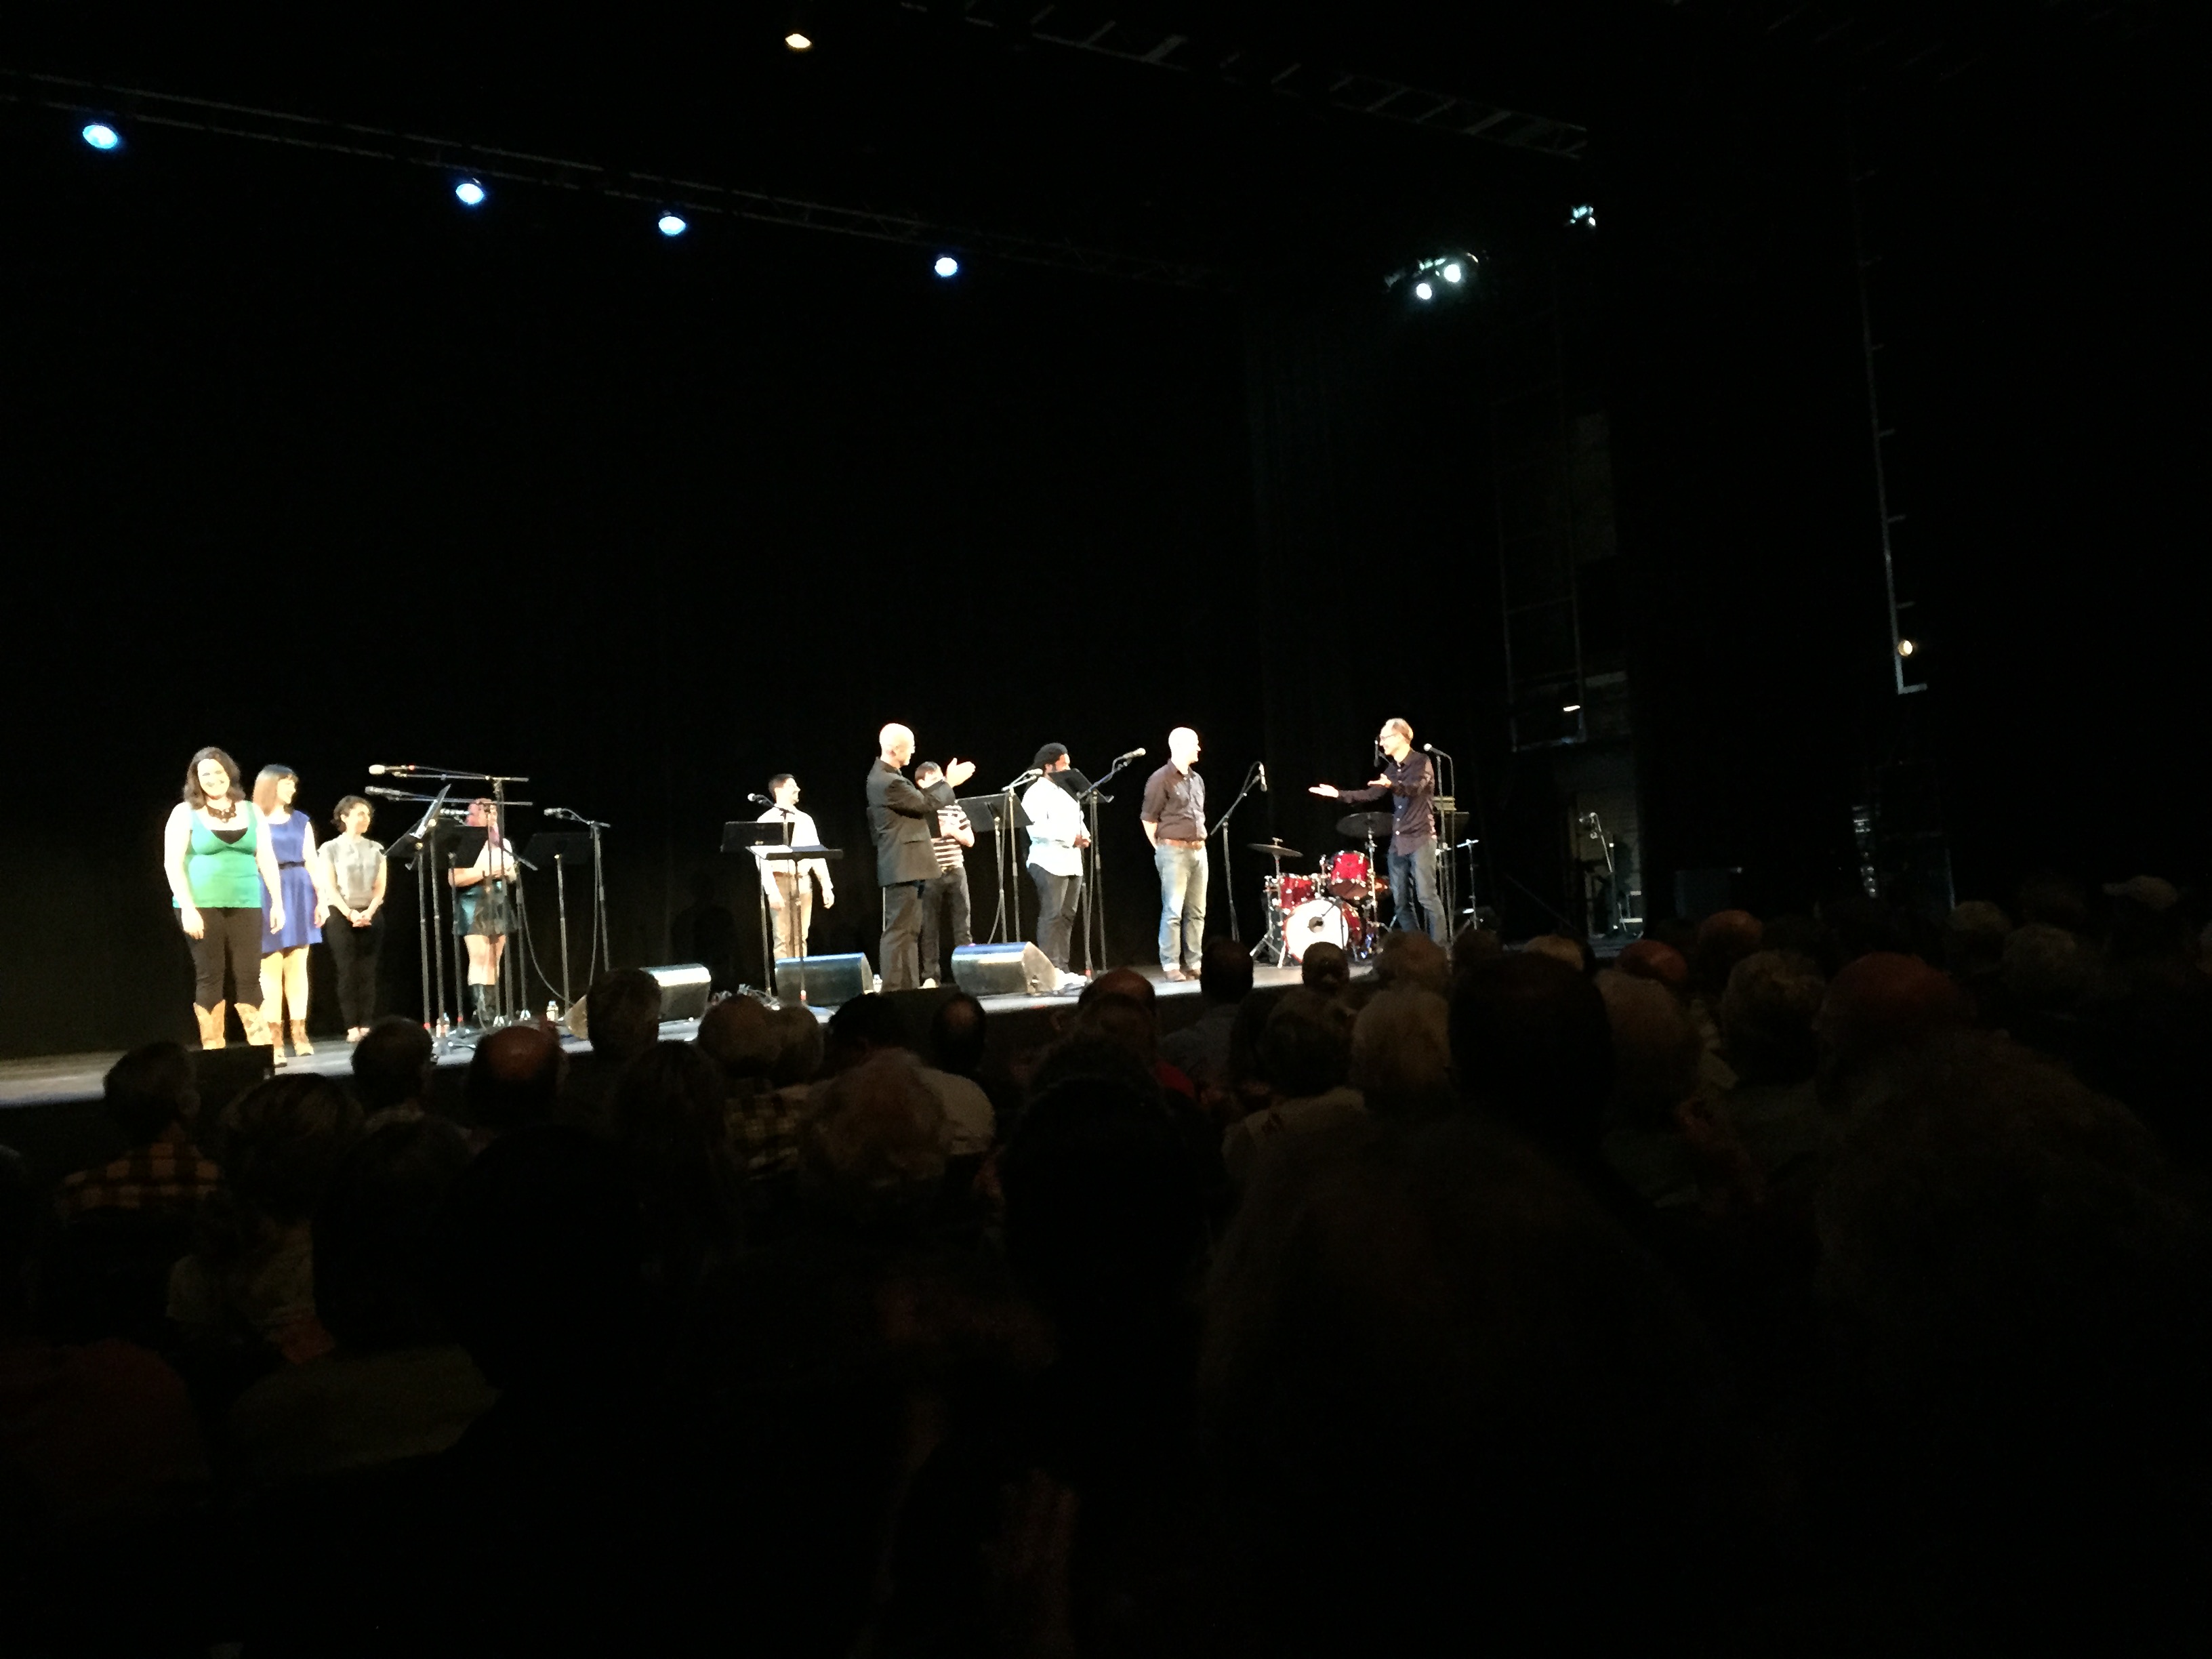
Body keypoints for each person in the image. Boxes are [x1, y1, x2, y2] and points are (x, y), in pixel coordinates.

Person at [164, 746, 289, 1052]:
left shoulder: (251, 810)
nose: (212, 778)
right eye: (205, 774)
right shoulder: (185, 812)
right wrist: (189, 908)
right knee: (210, 976)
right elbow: (172, 862)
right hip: (201, 905)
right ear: (196, 779)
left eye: (218, 772)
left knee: (250, 976)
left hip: (246, 902)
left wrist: (278, 902)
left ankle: (262, 1050)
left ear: (229, 773)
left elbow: (267, 857)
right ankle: (214, 1050)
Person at [1309, 717, 1447, 945]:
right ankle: (1420, 947)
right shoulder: (1392, 769)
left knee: (1426, 896)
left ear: (1402, 737)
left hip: (1421, 837)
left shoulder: (1422, 762)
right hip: (1399, 842)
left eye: (1385, 738)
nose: (1381, 743)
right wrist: (1338, 794)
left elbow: (1414, 789)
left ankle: (1441, 949)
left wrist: (1391, 786)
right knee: (1401, 903)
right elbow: (1371, 794)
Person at [867, 726, 973, 994]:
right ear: (894, 749)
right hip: (902, 866)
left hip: (909, 866)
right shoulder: (888, 781)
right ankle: (894, 991)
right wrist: (949, 782)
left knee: (910, 933)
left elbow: (922, 802)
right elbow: (924, 804)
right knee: (898, 933)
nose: (914, 750)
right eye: (910, 745)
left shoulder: (893, 777)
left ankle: (908, 990)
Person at [253, 765, 337, 1061]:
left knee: (298, 965)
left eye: (293, 785)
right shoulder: (255, 819)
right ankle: (273, 1039)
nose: (292, 790)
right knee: (271, 967)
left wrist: (322, 899)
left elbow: (312, 861)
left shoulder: (301, 820)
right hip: (267, 889)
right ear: (270, 786)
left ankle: (299, 1032)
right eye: (286, 784)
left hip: (300, 888)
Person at [1140, 726, 1208, 981]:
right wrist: (1162, 848)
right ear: (1179, 746)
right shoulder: (1160, 779)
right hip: (1173, 851)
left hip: (1199, 851)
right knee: (1173, 911)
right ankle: (1171, 965)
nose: (1199, 748)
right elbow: (1149, 820)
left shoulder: (1197, 779)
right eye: (1195, 744)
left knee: (1197, 911)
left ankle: (1195, 963)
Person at [319, 794, 388, 1042]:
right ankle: (351, 1026)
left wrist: (369, 912)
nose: (365, 819)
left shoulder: (377, 849)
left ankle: (367, 1024)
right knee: (347, 971)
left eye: (368, 814)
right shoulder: (330, 848)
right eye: (360, 814)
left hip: (371, 914)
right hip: (341, 913)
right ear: (344, 817)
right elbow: (330, 886)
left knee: (368, 972)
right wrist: (349, 913)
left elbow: (380, 887)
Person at [449, 798, 520, 1032]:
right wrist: (486, 871)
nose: (490, 816)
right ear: (473, 816)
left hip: (498, 900)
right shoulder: (466, 842)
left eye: (493, 812)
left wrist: (508, 873)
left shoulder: (503, 842)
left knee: (494, 959)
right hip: (473, 900)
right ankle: (481, 1014)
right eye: (483, 812)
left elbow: (511, 874)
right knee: (480, 957)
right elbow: (455, 879)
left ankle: (491, 1009)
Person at [1022, 744, 1090, 981]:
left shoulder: (1067, 790)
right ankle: (1049, 971)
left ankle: (1062, 967)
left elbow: (1078, 816)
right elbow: (1037, 829)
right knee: (1052, 914)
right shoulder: (1035, 793)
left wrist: (1084, 833)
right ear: (1049, 766)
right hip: (1047, 861)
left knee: (1068, 915)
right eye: (1065, 764)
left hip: (1072, 861)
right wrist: (1071, 838)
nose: (1069, 768)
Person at [754, 774, 834, 962]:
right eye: (792, 786)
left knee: (801, 936)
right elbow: (762, 859)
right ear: (778, 791)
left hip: (802, 880)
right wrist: (771, 890)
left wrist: (826, 885)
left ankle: (801, 986)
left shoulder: (805, 819)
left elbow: (816, 852)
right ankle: (785, 985)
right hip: (780, 880)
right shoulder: (765, 819)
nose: (797, 789)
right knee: (782, 938)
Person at [914, 761, 975, 988]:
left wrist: (953, 832)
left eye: (940, 777)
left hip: (956, 870)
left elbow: (970, 839)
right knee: (929, 927)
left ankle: (967, 974)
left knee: (963, 925)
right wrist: (941, 832)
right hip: (931, 873)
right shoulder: (921, 809)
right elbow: (918, 840)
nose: (939, 782)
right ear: (921, 783)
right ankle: (931, 976)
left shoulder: (954, 807)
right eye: (933, 778)